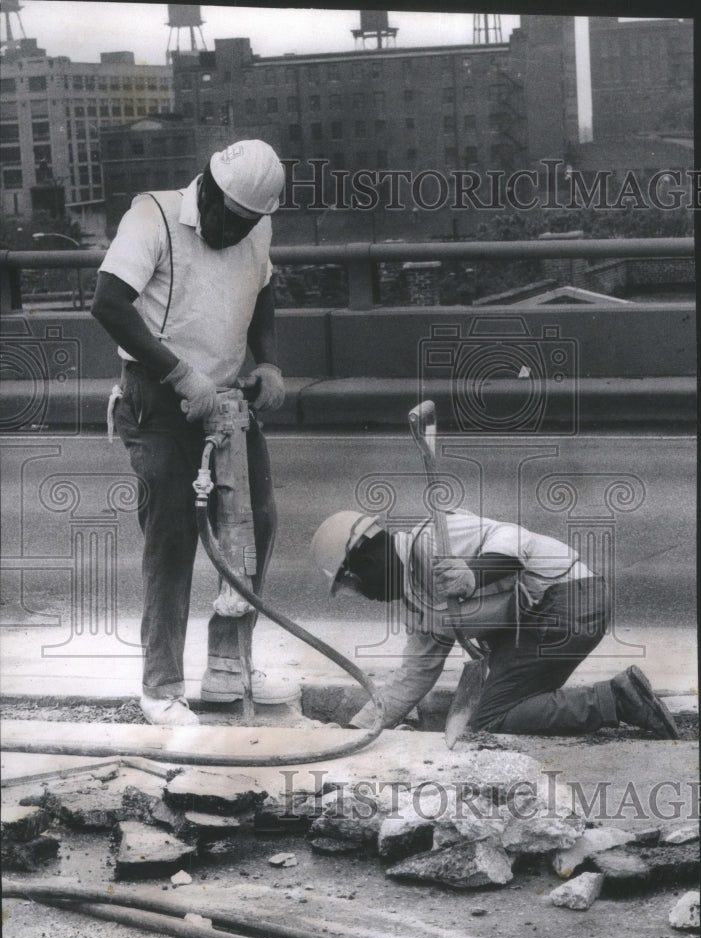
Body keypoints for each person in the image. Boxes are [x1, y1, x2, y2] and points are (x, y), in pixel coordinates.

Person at [92, 139, 300, 726]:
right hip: (157, 396)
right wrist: (180, 374)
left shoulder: (254, 227)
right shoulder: (151, 215)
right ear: (204, 190)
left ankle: (229, 663)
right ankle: (160, 686)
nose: (234, 235)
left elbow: (263, 290)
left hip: (226, 396)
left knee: (255, 524)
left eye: (248, 226)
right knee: (174, 535)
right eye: (228, 221)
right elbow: (109, 303)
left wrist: (269, 362)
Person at [310, 508, 679, 739]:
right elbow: (413, 677)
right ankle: (612, 698)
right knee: (492, 710)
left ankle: (617, 699)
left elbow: (514, 538)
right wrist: (357, 730)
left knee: (491, 717)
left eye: (353, 587)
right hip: (541, 621)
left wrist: (473, 573)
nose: (364, 597)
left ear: (365, 565)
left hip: (569, 598)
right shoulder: (417, 603)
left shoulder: (436, 535)